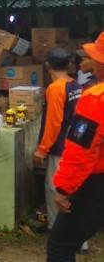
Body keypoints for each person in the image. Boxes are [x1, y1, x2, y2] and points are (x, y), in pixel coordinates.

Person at [47, 31, 104, 261]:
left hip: (95, 184)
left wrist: (63, 190)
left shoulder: (95, 99)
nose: (93, 62)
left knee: (60, 245)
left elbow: (81, 151)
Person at [34, 48, 82, 234]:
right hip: (74, 145)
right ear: (68, 65)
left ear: (47, 66)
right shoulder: (75, 85)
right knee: (71, 192)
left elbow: (54, 123)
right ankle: (78, 237)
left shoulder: (55, 89)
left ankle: (56, 230)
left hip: (60, 148)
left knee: (55, 189)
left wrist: (42, 149)